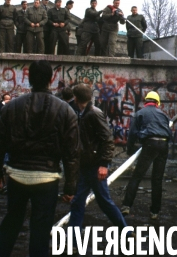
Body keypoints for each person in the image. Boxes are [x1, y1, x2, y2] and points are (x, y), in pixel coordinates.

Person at [0, 60, 80, 256]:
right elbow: (71, 153)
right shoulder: (65, 110)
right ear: (51, 79)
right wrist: (70, 187)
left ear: (29, 79)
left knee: (12, 221)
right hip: (47, 178)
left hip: (17, 175)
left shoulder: (11, 107)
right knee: (40, 230)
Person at [66, 84, 128, 238]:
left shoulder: (94, 114)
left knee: (104, 203)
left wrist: (104, 164)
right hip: (85, 166)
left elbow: (107, 140)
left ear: (76, 97)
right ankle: (73, 241)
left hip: (95, 166)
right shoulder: (79, 112)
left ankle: (126, 232)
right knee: (77, 203)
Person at [121, 91, 171, 220]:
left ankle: (126, 205)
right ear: (157, 103)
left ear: (145, 102)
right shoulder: (164, 115)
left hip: (150, 144)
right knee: (157, 179)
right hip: (164, 145)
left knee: (137, 176)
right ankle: (155, 211)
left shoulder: (140, 113)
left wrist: (130, 149)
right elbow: (169, 133)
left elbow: (132, 133)